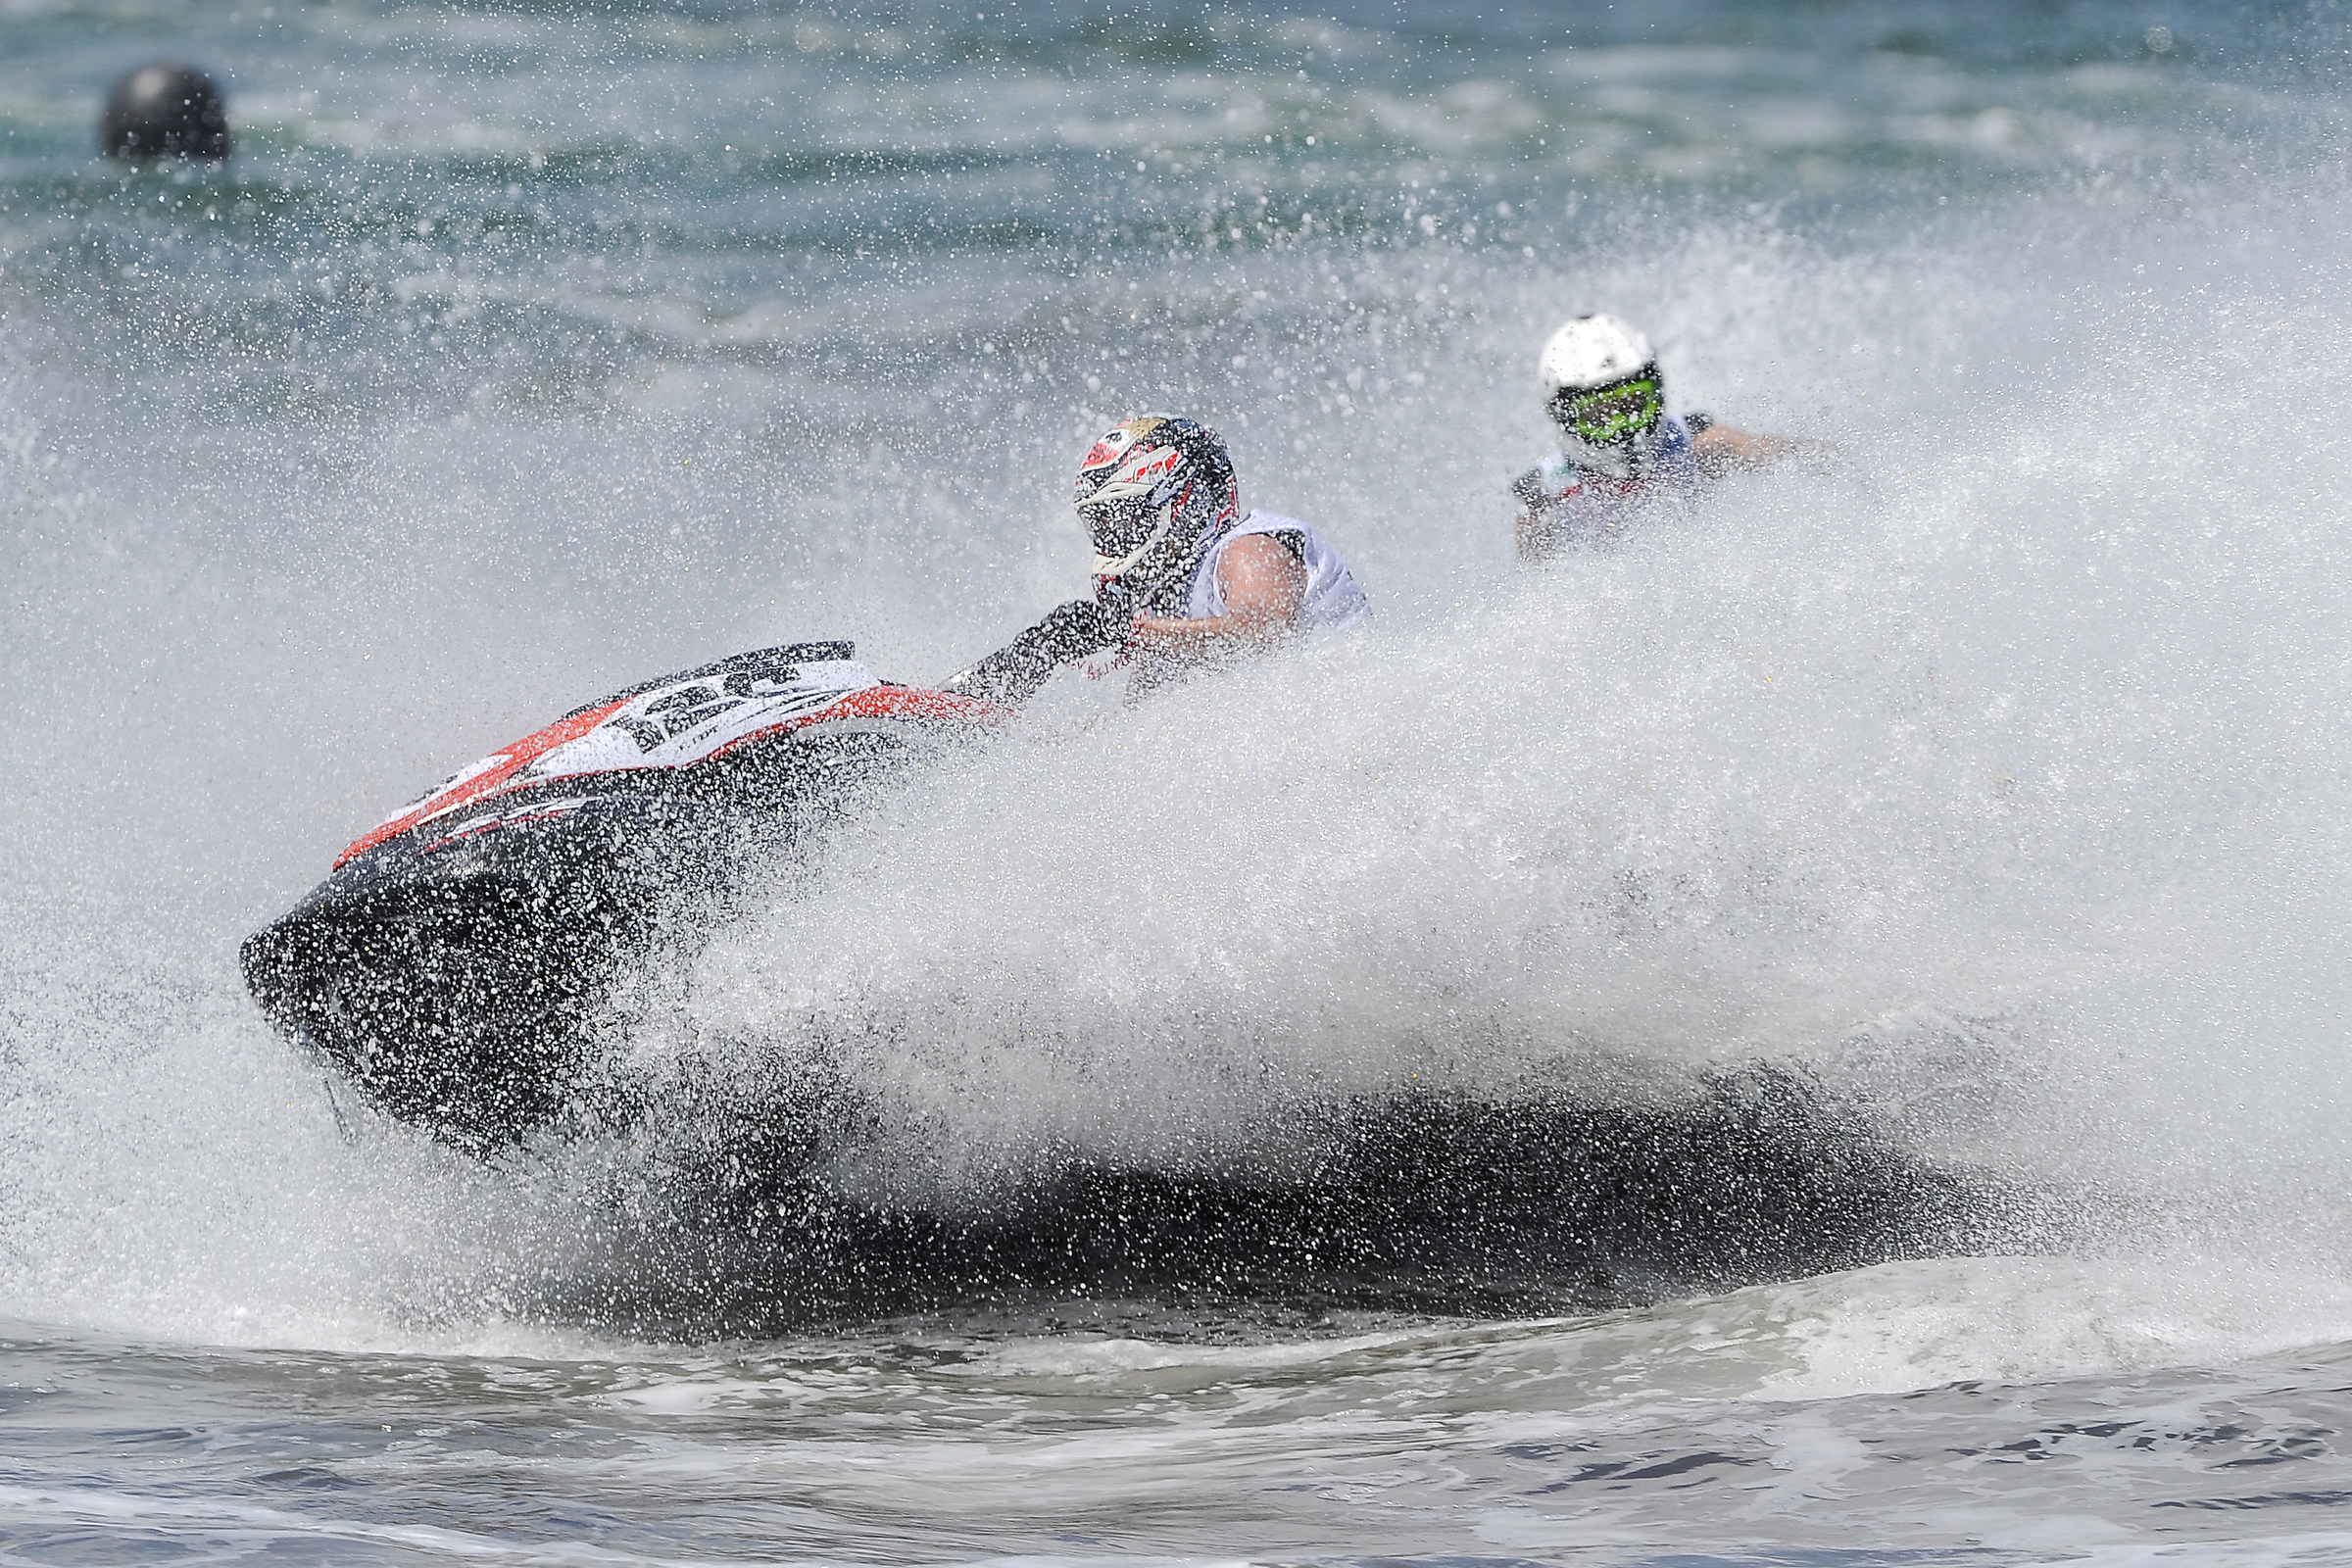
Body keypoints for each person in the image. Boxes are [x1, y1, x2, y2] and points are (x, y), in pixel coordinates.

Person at [943, 415, 1369, 705]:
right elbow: (1139, 725)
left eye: (1123, 521)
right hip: (1287, 749)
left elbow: (1262, 629)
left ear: (1184, 502)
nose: (1112, 539)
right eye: (1101, 526)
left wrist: (1143, 632)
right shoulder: (1175, 603)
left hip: (1344, 727)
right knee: (1063, 628)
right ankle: (976, 702)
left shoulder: (1247, 547)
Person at [1512, 313, 1811, 564]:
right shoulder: (1543, 498)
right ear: (1560, 416)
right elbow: (1538, 594)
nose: (1623, 428)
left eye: (1633, 406)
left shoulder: (1696, 442)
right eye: (1599, 416)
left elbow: (1806, 459)